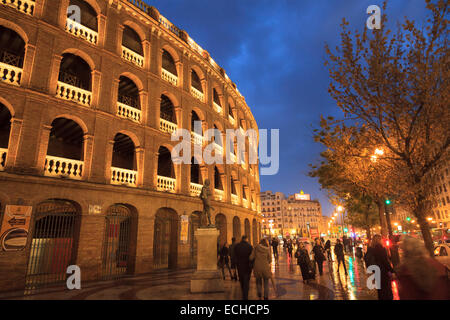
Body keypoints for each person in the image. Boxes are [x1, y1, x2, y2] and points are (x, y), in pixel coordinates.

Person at [371, 234, 394, 300]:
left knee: (380, 291)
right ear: (379, 240)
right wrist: (392, 271)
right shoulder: (381, 249)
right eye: (381, 239)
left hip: (376, 272)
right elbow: (385, 261)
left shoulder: (373, 249)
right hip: (383, 272)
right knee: (386, 290)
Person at [234, 235, 253, 300]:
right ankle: (245, 295)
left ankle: (243, 291)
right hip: (247, 266)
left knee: (241, 280)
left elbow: (235, 255)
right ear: (246, 239)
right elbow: (251, 257)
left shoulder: (237, 246)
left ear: (242, 239)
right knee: (246, 281)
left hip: (239, 266)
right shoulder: (250, 246)